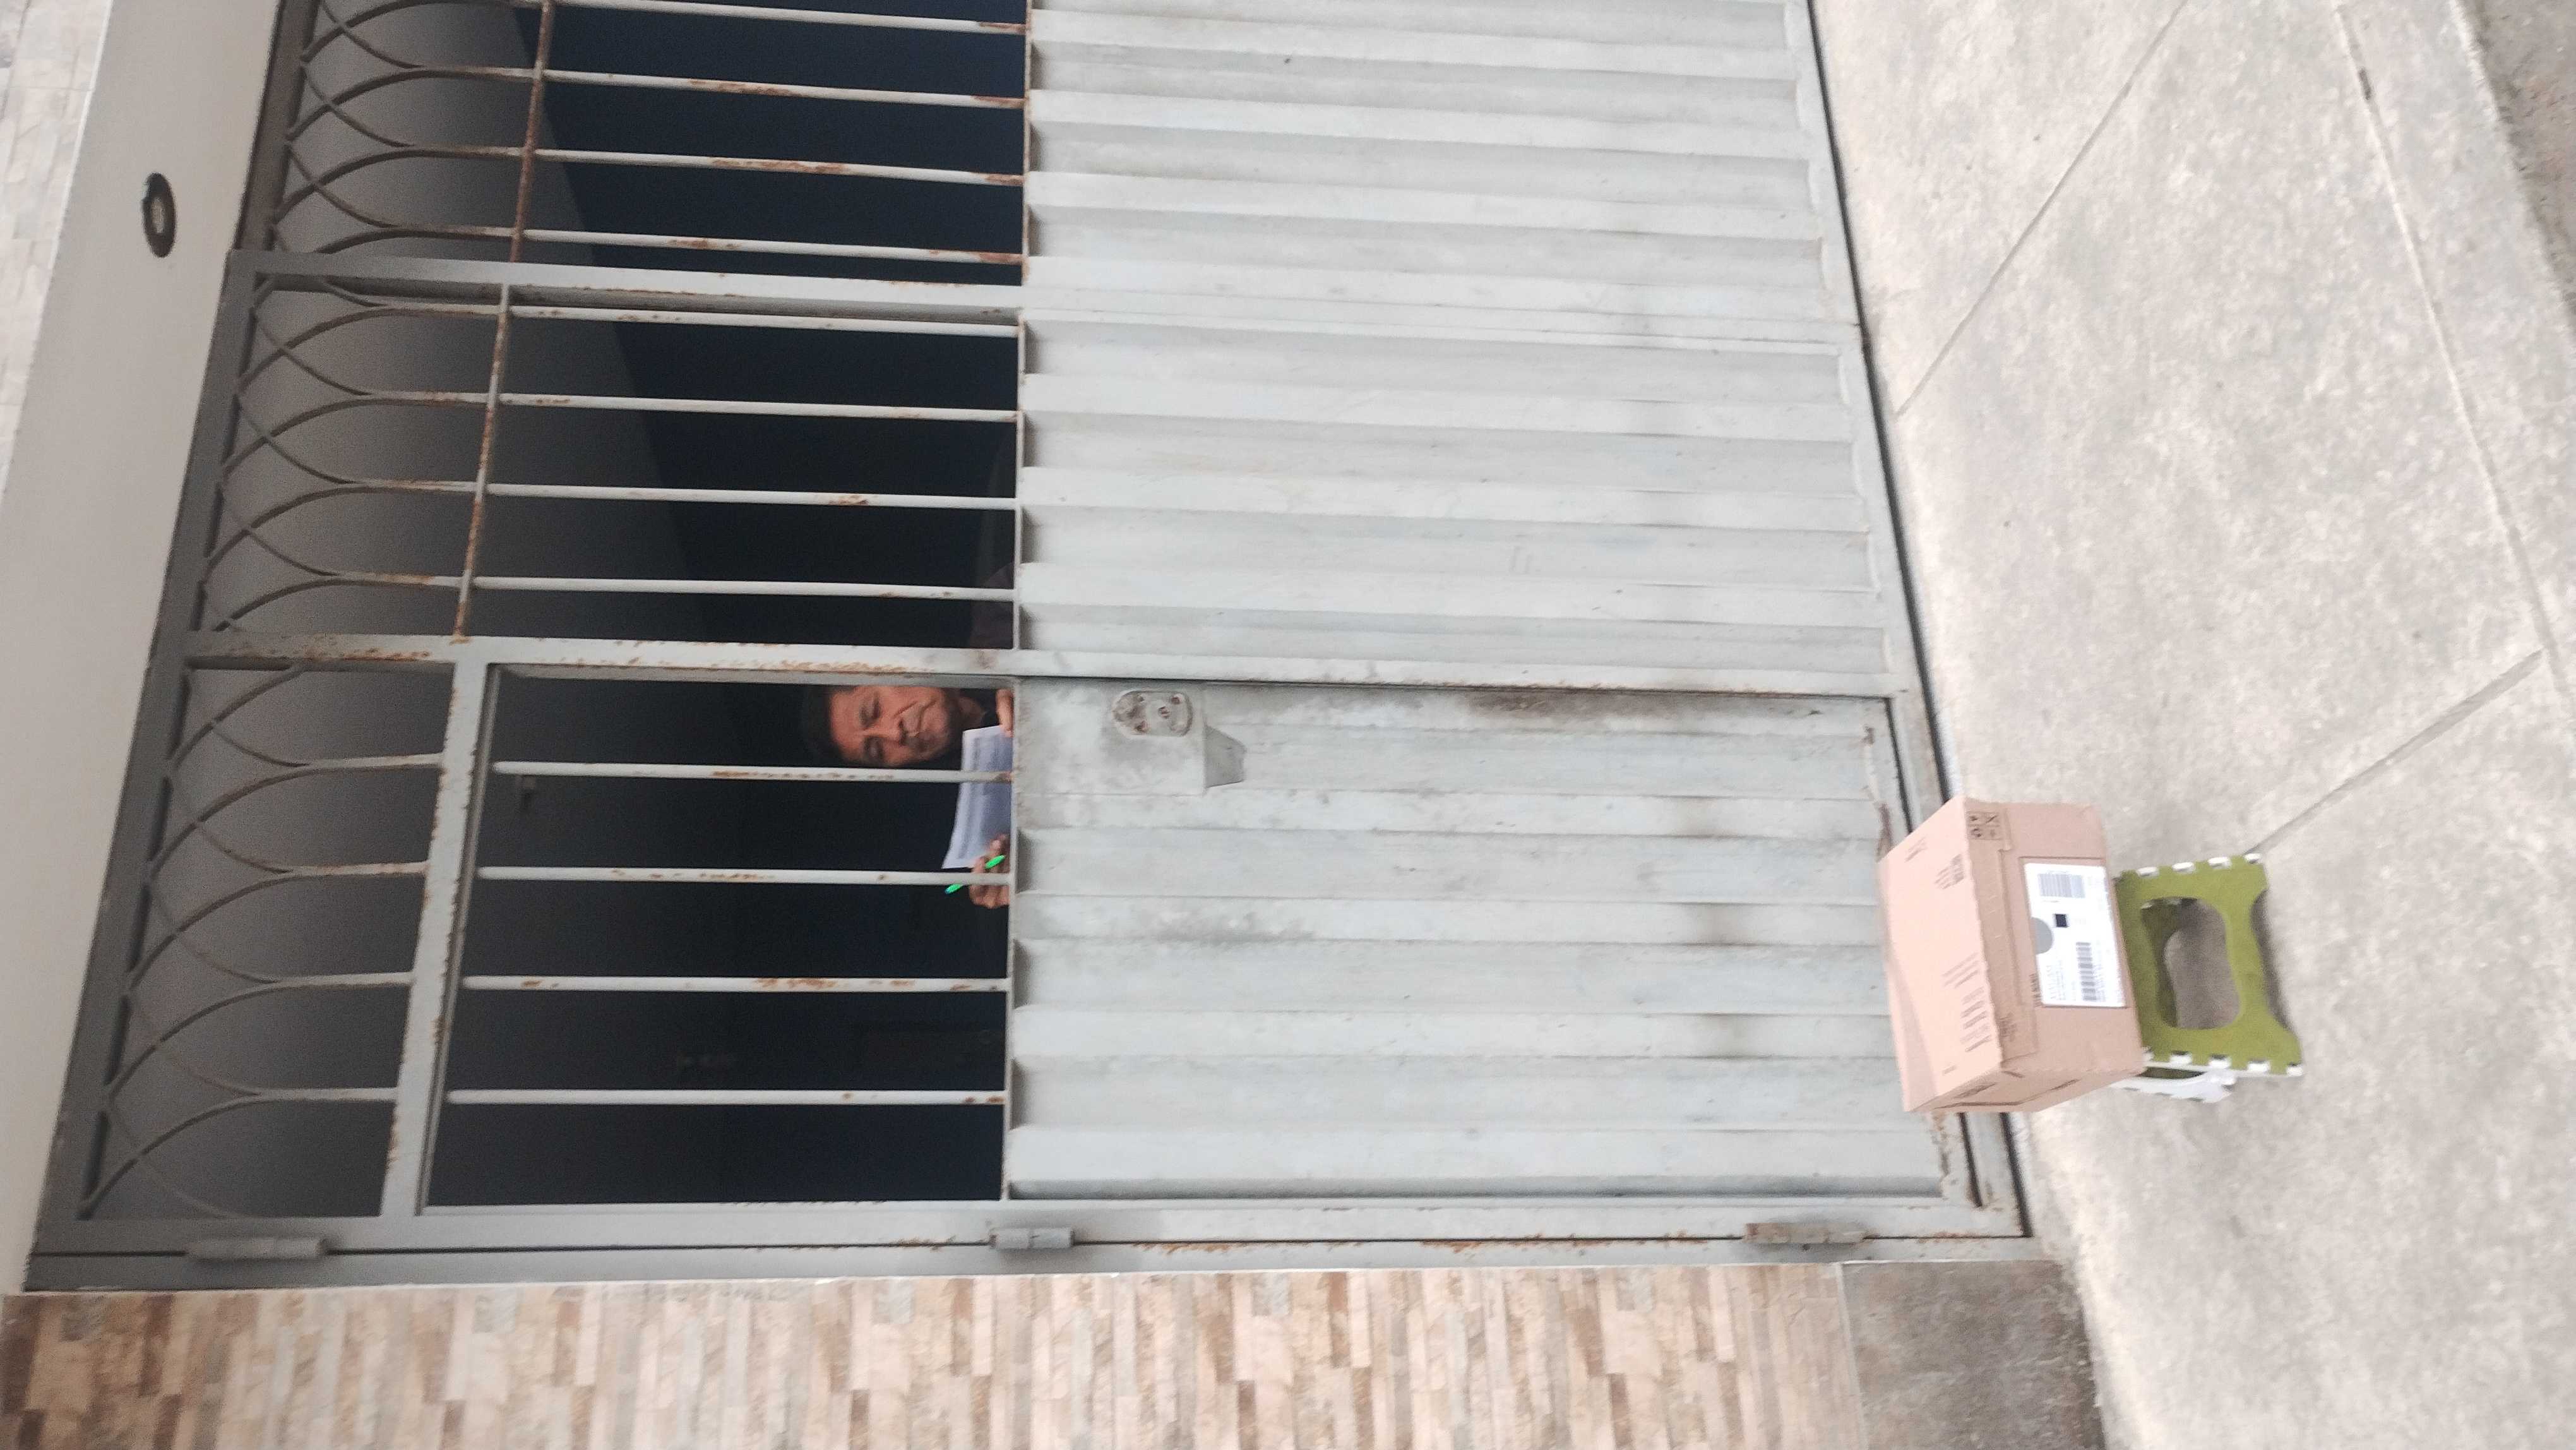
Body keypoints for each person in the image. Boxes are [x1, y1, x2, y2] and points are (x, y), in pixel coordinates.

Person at [801, 683, 1015, 908]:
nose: (894, 734)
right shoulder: (952, 830)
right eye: (877, 750)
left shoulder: (997, 669)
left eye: (874, 710)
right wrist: (1004, 896)